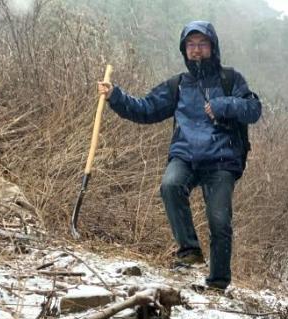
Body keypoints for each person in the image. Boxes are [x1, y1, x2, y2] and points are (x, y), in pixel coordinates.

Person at [98, 21, 262, 291]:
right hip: (185, 156)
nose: (196, 50)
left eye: (202, 44)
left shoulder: (230, 79)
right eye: (191, 45)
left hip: (221, 161)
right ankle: (189, 250)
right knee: (170, 185)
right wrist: (116, 96)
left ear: (213, 47)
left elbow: (253, 109)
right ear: (184, 50)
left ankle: (218, 283)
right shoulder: (178, 85)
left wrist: (223, 105)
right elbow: (146, 109)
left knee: (219, 220)